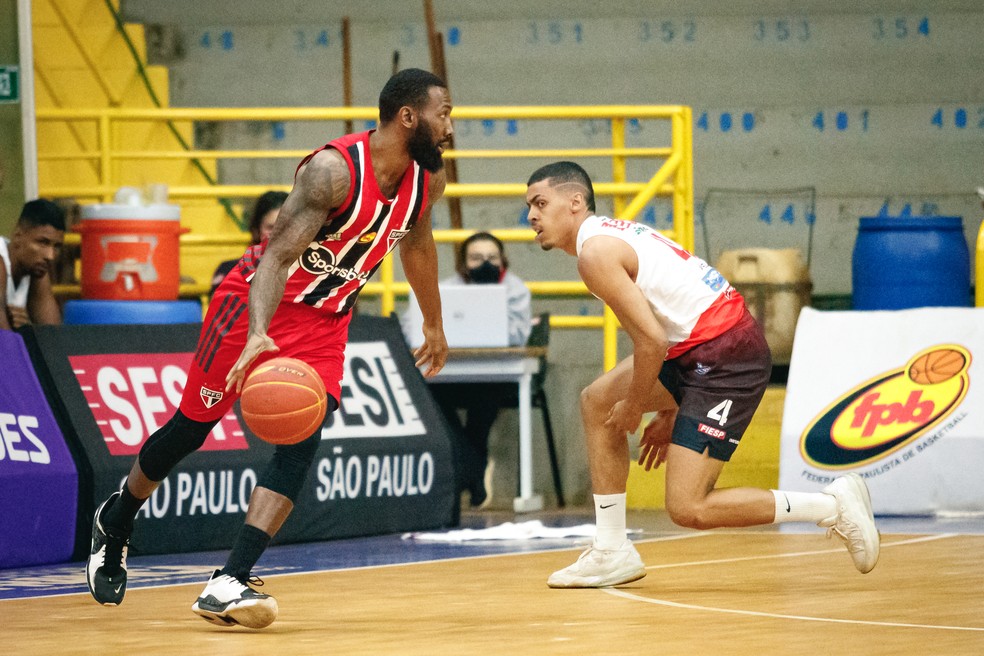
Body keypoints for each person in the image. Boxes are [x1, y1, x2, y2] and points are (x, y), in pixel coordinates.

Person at [85, 68, 453, 628]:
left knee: (304, 439)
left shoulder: (428, 179)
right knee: (192, 427)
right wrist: (258, 331)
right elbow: (277, 258)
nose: (449, 126)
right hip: (256, 302)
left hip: (327, 318)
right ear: (409, 117)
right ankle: (118, 515)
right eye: (443, 113)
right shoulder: (333, 173)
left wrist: (433, 320)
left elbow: (418, 245)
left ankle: (229, 579)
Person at [523, 161, 880, 589]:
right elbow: (673, 321)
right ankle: (612, 548)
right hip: (699, 347)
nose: (532, 216)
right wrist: (671, 407)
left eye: (541, 203)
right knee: (597, 400)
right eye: (530, 206)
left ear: (575, 202)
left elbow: (652, 341)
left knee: (689, 508)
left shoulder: (595, 254)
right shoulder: (609, 236)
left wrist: (638, 407)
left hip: (727, 356)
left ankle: (830, 506)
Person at [430, 232, 532, 507]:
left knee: (484, 402)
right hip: (451, 375)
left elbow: (518, 336)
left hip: (498, 375)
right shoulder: (444, 289)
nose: (485, 263)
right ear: (463, 263)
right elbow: (412, 325)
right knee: (429, 396)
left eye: (491, 258)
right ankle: (473, 468)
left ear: (503, 261)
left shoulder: (516, 289)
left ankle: (469, 471)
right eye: (476, 258)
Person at [0, 199, 65, 330]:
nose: (50, 256)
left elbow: (53, 337)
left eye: (56, 246)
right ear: (18, 235)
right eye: (43, 243)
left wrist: (28, 328)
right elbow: (5, 343)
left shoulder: (35, 268)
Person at [210, 191, 287, 295]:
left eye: (286, 227)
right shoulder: (230, 272)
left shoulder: (311, 277)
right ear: (256, 231)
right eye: (271, 228)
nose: (279, 234)